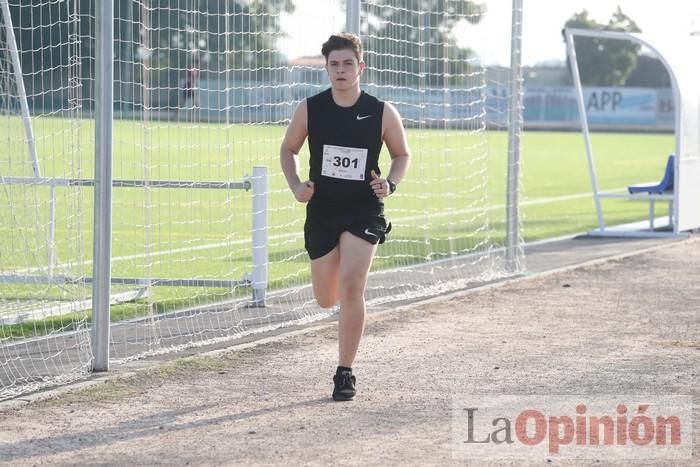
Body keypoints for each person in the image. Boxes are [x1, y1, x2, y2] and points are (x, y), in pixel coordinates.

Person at [279, 33, 411, 401]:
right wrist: (296, 186)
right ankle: (340, 305)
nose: (340, 70)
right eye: (334, 64)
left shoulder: (382, 111)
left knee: (353, 285)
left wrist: (391, 184)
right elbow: (288, 149)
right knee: (326, 298)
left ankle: (345, 372)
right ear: (326, 68)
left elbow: (402, 155)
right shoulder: (310, 108)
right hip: (322, 209)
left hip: (363, 209)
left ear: (360, 67)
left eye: (347, 64)